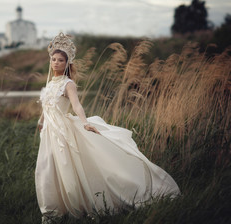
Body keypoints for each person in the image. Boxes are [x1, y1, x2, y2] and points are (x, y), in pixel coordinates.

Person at [35, 33, 180, 221]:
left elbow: (77, 105)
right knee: (48, 166)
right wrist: (41, 121)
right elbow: (46, 105)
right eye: (53, 59)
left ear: (67, 63)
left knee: (66, 165)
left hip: (63, 131)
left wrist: (85, 122)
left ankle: (79, 204)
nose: (55, 63)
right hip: (49, 131)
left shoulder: (68, 84)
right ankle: (53, 210)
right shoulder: (50, 83)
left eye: (60, 60)